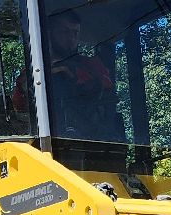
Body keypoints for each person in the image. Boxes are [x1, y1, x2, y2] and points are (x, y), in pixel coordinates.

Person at [45, 9, 118, 141]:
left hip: (91, 139)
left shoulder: (93, 66)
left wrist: (71, 76)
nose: (71, 38)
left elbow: (107, 98)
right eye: (64, 32)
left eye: (75, 33)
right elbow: (21, 107)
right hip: (46, 141)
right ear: (50, 34)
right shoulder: (36, 70)